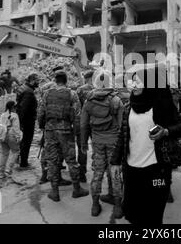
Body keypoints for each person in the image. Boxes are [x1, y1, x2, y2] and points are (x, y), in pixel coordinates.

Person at [110, 66, 181, 225]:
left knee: (153, 216)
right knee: (133, 214)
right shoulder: (129, 107)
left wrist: (165, 131)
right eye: (132, 81)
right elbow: (123, 135)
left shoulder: (161, 105)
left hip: (156, 170)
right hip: (131, 171)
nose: (134, 85)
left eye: (138, 82)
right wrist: (115, 162)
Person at [38, 70, 88, 202]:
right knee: (71, 160)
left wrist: (43, 126)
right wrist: (77, 132)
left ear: (55, 80)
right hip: (66, 130)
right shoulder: (72, 94)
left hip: (50, 130)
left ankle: (55, 192)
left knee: (52, 161)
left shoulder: (47, 93)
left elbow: (41, 113)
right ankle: (77, 189)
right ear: (66, 81)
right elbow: (77, 115)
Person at [81, 71, 124, 218]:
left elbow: (83, 125)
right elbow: (122, 126)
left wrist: (83, 143)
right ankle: (118, 206)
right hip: (114, 143)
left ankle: (94, 205)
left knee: (97, 173)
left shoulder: (89, 101)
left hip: (97, 142)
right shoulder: (116, 100)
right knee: (116, 173)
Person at [76, 70, 95, 183]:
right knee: (97, 147)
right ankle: (98, 170)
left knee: (82, 147)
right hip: (95, 123)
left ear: (86, 78)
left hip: (83, 123)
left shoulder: (80, 90)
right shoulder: (98, 89)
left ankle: (82, 173)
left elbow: (76, 108)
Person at [16, 74, 39, 168]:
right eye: (37, 80)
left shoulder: (22, 87)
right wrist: (21, 123)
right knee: (26, 141)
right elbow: (24, 109)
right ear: (32, 80)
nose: (38, 82)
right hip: (27, 121)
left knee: (22, 141)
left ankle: (19, 159)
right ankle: (24, 163)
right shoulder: (29, 92)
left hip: (22, 119)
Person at [0, 101, 22, 179]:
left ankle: (1, 173)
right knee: (16, 151)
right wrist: (18, 137)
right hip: (11, 134)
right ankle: (9, 170)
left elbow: (0, 126)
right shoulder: (15, 115)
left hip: (3, 135)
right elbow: (16, 128)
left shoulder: (2, 115)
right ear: (13, 107)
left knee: (4, 154)